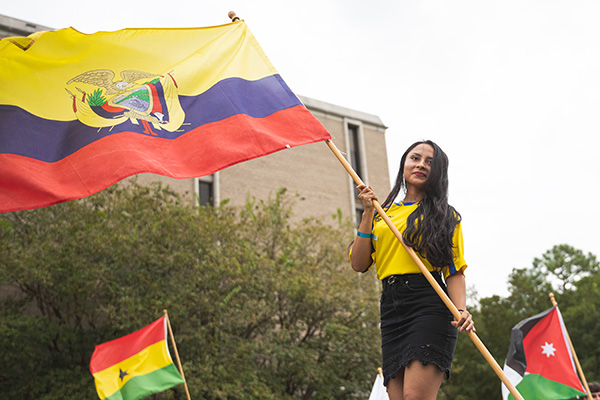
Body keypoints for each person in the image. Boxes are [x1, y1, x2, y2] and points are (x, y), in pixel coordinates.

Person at [350, 140, 474, 400]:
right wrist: (367, 213)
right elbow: (359, 264)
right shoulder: (383, 215)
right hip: (391, 308)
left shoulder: (446, 217)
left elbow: (454, 271)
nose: (421, 165)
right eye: (415, 158)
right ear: (404, 164)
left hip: (429, 305)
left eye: (430, 162)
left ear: (438, 172)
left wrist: (461, 309)